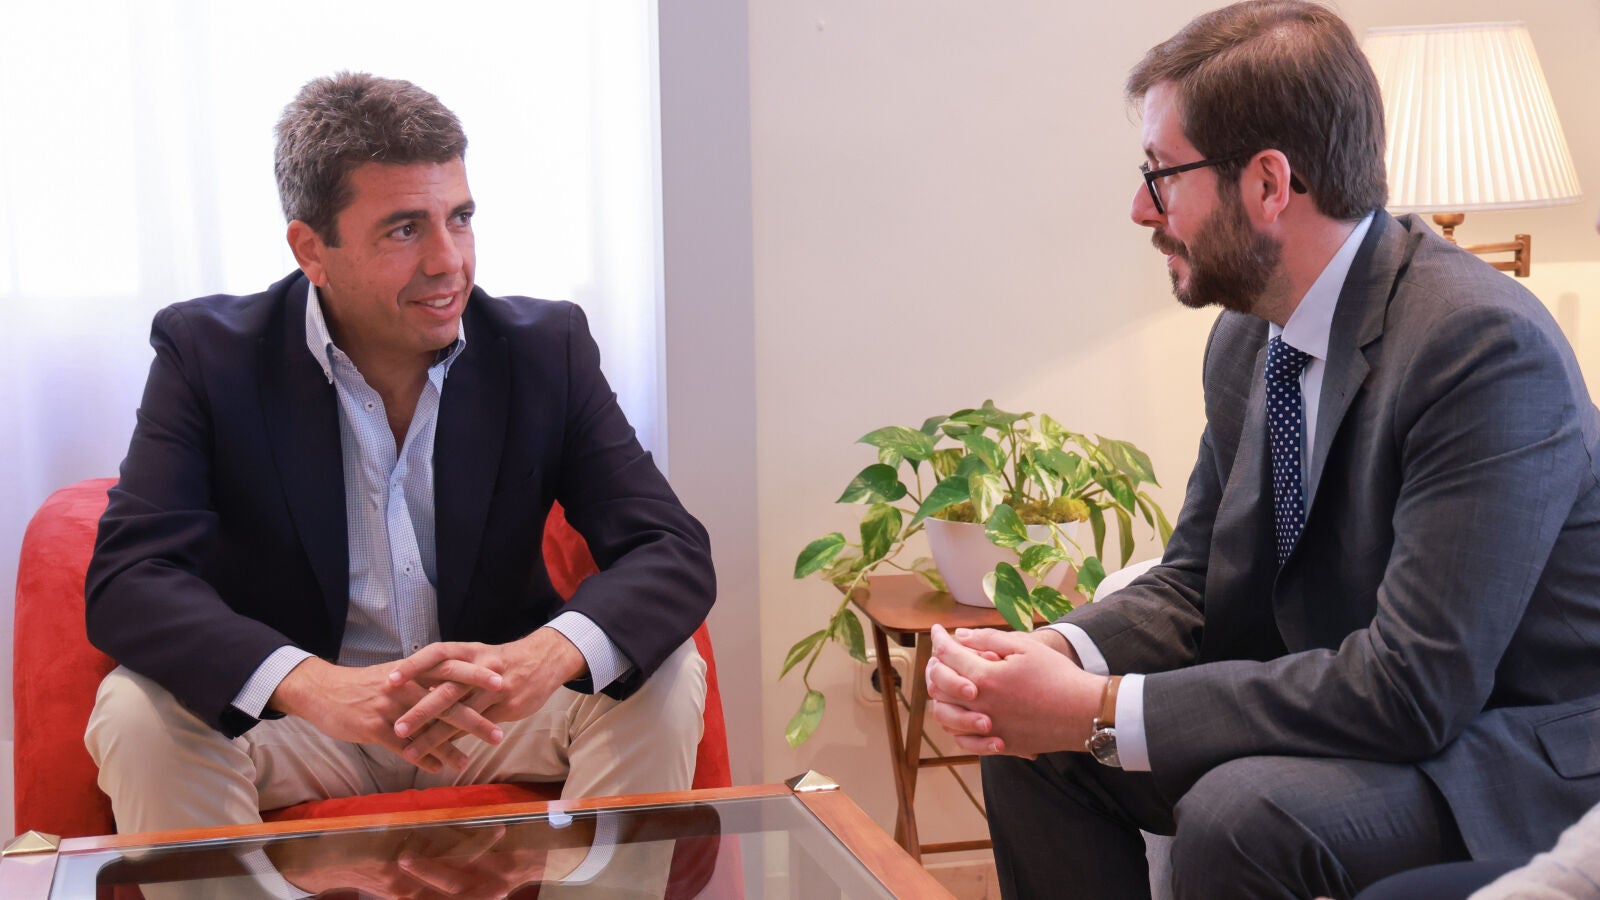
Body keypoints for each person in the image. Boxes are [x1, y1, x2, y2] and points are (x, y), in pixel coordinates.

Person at [924, 2, 1600, 898]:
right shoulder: (1251, 338)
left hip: (1509, 748)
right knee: (1031, 751)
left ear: (1270, 183)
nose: (1140, 207)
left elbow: (1417, 687)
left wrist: (1096, 709)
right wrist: (1053, 657)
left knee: (1240, 816)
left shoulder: (1478, 346)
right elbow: (1196, 582)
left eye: (1162, 173)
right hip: (1371, 708)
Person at [83, 72, 714, 849]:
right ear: (311, 250)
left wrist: (544, 657)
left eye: (460, 218)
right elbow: (129, 581)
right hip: (306, 724)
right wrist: (312, 685)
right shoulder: (209, 356)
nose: (449, 261)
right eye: (405, 230)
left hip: (493, 712)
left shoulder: (543, 349)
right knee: (135, 712)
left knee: (665, 673)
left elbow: (670, 548)